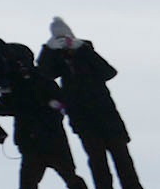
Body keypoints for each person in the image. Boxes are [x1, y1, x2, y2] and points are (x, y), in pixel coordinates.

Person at [52, 24, 138, 189]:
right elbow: (46, 72)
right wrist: (49, 49)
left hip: (106, 118)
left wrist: (82, 49)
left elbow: (109, 72)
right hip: (84, 121)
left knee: (122, 160)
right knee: (98, 163)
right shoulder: (58, 61)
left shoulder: (86, 53)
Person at [7, 40, 90, 189]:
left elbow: (57, 104)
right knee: (32, 182)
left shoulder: (40, 79)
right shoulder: (19, 82)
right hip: (35, 141)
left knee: (68, 177)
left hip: (48, 140)